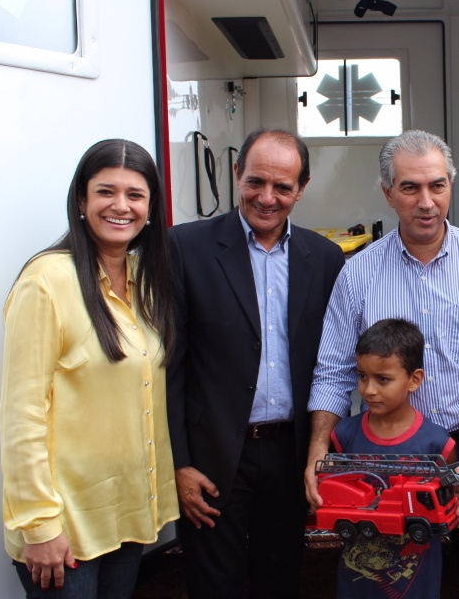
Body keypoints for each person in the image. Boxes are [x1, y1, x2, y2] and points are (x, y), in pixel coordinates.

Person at [306, 129, 459, 599]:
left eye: (437, 185)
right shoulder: (358, 273)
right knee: (390, 586)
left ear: (450, 185)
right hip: (381, 463)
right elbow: (332, 369)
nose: (426, 201)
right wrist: (318, 451)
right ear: (389, 193)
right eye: (410, 188)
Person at [167, 129, 345, 598]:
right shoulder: (185, 248)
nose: (267, 198)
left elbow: (332, 362)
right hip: (213, 459)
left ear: (301, 188)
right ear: (235, 175)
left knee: (280, 578)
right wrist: (179, 463)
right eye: (255, 182)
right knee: (214, 585)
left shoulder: (325, 258)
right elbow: (170, 366)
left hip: (290, 454)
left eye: (283, 187)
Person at [0, 139, 178, 597]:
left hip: (124, 517)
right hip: (65, 529)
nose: (121, 206)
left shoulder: (145, 284)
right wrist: (39, 525)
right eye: (105, 192)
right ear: (81, 201)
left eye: (135, 195)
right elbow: (22, 415)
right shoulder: (46, 281)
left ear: (151, 206)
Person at [324, 318, 458, 598]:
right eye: (362, 376)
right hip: (356, 585)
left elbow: (456, 493)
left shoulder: (438, 444)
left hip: (414, 586)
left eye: (382, 379)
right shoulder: (343, 434)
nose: (369, 390)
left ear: (414, 380)